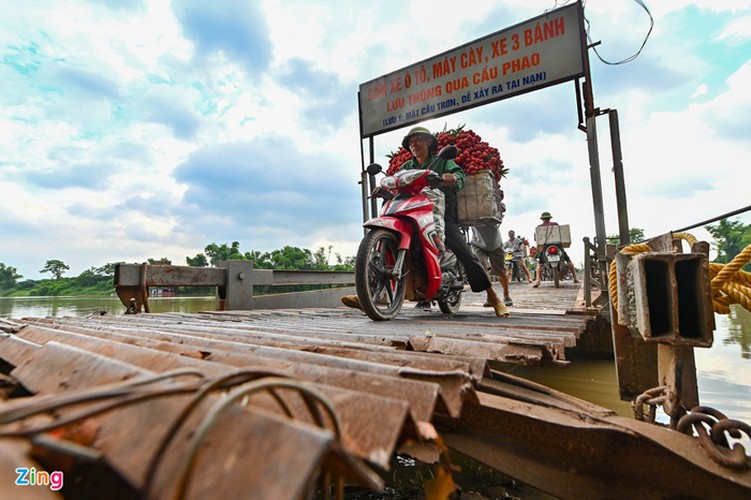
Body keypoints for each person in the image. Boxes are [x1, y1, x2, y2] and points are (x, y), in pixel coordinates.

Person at [343, 126, 510, 318]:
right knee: (387, 246)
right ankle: (370, 294)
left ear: (428, 142)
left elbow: (459, 177)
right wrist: (385, 192)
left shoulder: (441, 161)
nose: (413, 145)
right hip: (410, 209)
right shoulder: (406, 167)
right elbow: (399, 187)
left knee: (463, 251)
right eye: (411, 142)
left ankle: (494, 297)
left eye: (417, 140)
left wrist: (451, 178)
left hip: (440, 212)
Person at [532, 211, 579, 287]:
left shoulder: (539, 227)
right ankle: (575, 278)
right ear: (549, 218)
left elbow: (536, 239)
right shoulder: (555, 225)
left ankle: (537, 280)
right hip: (558, 246)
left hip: (545, 247)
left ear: (542, 219)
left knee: (540, 264)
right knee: (568, 260)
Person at [470, 225, 513, 306]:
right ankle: (491, 296)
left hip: (495, 242)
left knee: (501, 271)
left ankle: (506, 295)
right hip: (478, 242)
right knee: (480, 268)